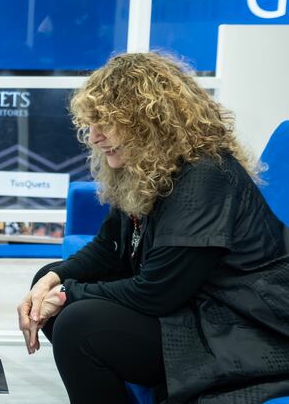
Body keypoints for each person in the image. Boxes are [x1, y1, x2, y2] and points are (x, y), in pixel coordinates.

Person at [18, 52, 289, 403]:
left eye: (106, 123)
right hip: (189, 303)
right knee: (48, 278)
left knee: (78, 324)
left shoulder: (205, 176)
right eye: (91, 124)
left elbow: (157, 293)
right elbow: (109, 247)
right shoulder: (144, 169)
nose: (95, 137)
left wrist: (68, 294)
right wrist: (53, 280)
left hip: (237, 323)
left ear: (149, 122)